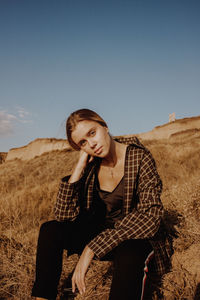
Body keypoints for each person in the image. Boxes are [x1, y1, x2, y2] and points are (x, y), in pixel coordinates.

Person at [32, 108, 173, 300]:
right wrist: (79, 167)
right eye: (83, 142)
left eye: (92, 133)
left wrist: (92, 248)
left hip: (133, 237)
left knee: (130, 253)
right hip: (100, 233)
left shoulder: (140, 158)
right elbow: (63, 216)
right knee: (50, 229)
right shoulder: (91, 164)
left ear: (104, 126)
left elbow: (150, 217)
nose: (92, 144)